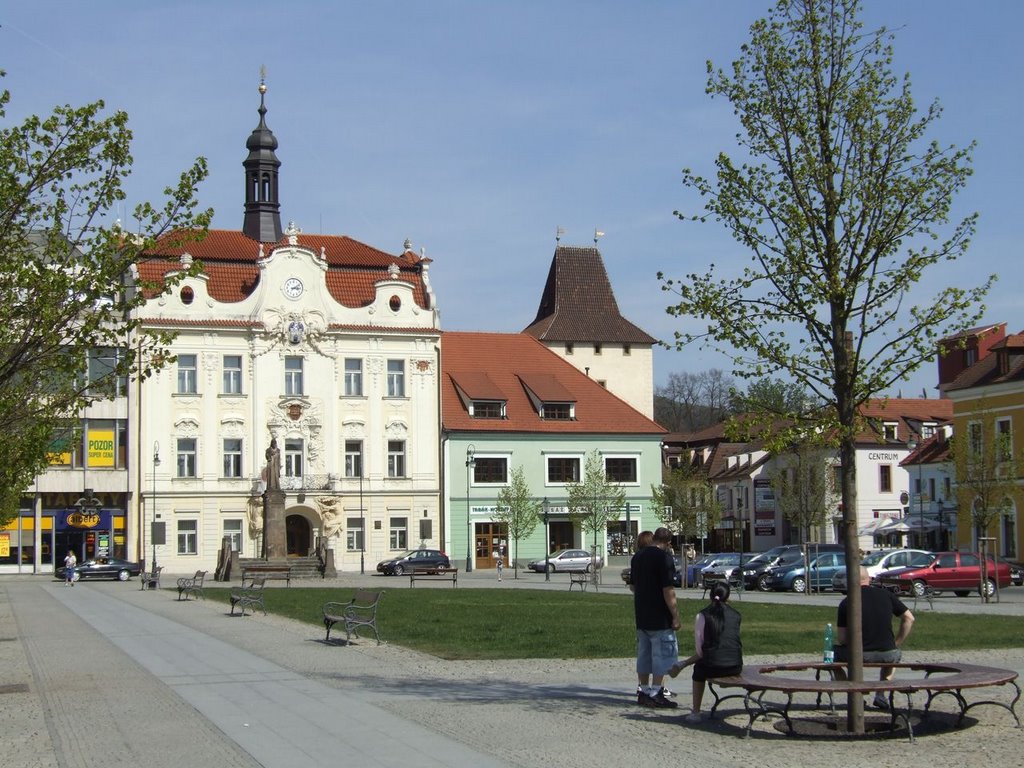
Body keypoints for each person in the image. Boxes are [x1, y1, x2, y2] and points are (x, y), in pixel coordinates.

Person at [833, 565, 915, 709]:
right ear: (869, 579)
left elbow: (842, 639)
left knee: (832, 657)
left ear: (851, 581)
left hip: (858, 654)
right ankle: (880, 693)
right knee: (893, 656)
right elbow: (909, 618)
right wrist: (896, 642)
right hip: (887, 653)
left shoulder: (847, 602)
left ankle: (855, 695)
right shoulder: (886, 595)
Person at [670, 580, 744, 723]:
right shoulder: (736, 615)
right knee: (706, 661)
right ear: (728, 597)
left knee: (699, 670)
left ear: (710, 596)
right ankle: (681, 665)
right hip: (735, 665)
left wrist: (686, 662)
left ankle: (696, 712)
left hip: (712, 666)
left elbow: (700, 651)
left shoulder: (703, 615)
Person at [629, 527, 680, 709]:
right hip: (660, 616)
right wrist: (675, 615)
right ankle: (656, 692)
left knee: (644, 654)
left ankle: (643, 690)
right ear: (667, 543)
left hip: (642, 614)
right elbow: (668, 589)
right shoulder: (664, 558)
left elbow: (633, 586)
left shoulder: (638, 557)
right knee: (662, 654)